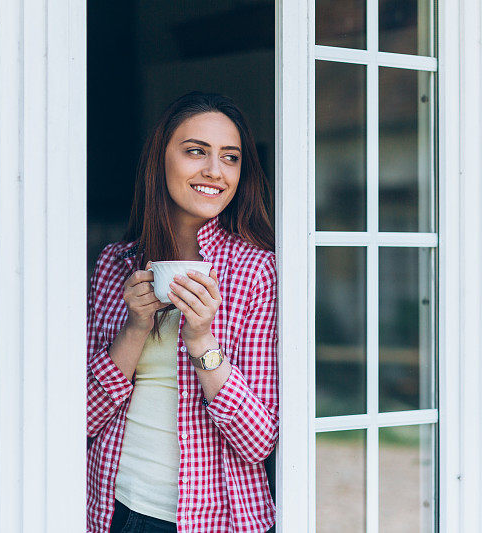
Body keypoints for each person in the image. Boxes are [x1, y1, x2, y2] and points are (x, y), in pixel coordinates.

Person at [86, 92, 278, 533]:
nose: (214, 170)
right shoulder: (115, 263)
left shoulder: (255, 270)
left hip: (213, 519)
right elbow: (84, 417)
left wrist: (201, 340)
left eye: (230, 158)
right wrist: (135, 328)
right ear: (161, 159)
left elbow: (258, 442)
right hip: (113, 508)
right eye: (196, 151)